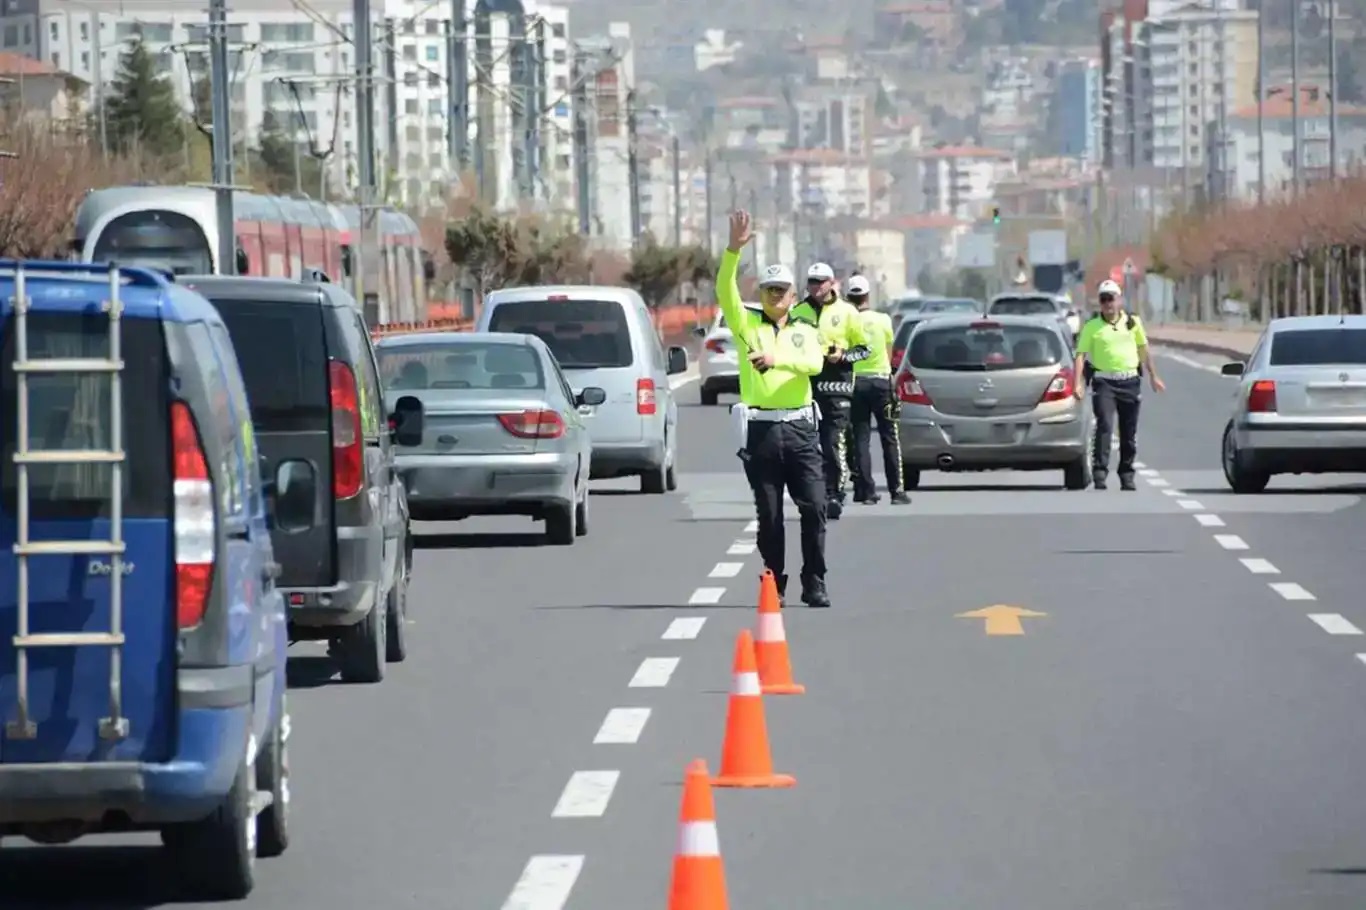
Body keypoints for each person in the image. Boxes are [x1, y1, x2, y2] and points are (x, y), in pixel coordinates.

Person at [718, 210, 832, 608]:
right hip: (762, 432)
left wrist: (777, 360)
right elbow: (724, 291)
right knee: (769, 516)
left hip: (801, 430)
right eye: (768, 289)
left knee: (815, 507)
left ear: (793, 296)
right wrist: (733, 250)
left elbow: (815, 365)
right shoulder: (746, 325)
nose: (775, 296)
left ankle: (814, 580)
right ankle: (774, 582)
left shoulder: (804, 331)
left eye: (782, 290)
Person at [791, 261, 870, 520]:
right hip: (806, 389)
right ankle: (814, 493)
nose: (816, 287)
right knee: (807, 446)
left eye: (821, 281)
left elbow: (865, 349)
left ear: (832, 282)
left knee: (832, 442)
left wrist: (843, 355)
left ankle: (835, 493)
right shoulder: (798, 311)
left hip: (838, 388)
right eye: (812, 282)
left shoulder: (847, 312)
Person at [1073, 278, 1166, 491]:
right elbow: (1080, 355)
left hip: (1129, 381)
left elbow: (1144, 350)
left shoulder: (1133, 324)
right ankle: (1099, 471)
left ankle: (1126, 473)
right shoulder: (1092, 327)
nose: (1107, 304)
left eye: (1111, 299)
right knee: (1104, 424)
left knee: (1128, 430)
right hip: (1104, 381)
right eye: (1103, 299)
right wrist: (1078, 383)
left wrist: (1154, 376)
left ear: (1119, 300)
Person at [847, 275, 911, 505]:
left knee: (861, 437)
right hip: (881, 383)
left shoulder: (847, 321)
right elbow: (889, 351)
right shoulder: (883, 320)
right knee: (889, 436)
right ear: (867, 295)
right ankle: (897, 491)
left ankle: (866, 491)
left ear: (849, 296)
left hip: (856, 383)